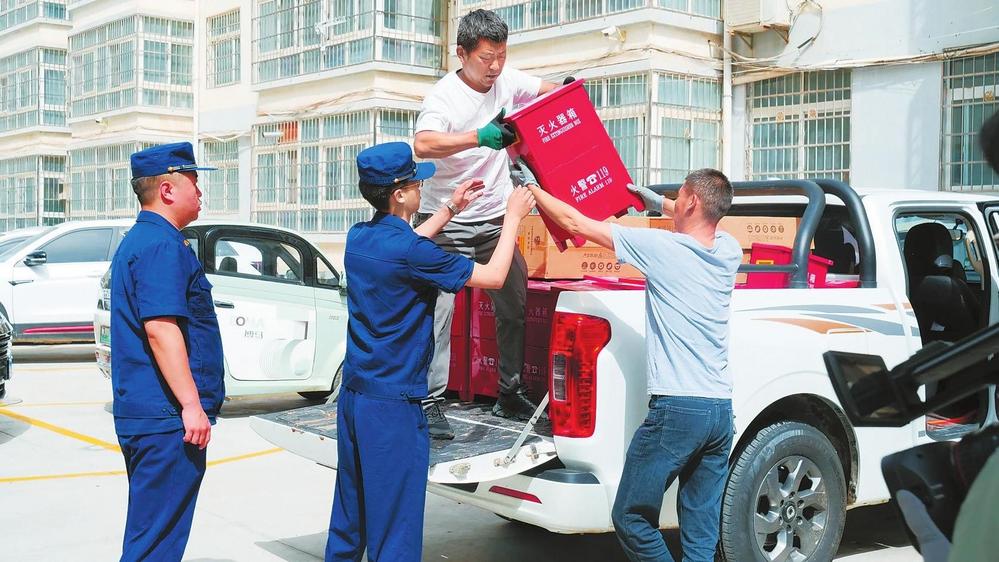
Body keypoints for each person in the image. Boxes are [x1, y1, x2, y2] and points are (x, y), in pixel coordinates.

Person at [325, 142, 535, 562]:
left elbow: (408, 246)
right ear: (399, 194)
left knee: (352, 514)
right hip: (394, 406)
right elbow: (494, 277)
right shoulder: (412, 253)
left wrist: (451, 208)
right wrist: (512, 217)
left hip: (356, 397)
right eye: (416, 183)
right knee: (395, 525)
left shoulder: (359, 237)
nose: (422, 187)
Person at [523, 168, 741, 561]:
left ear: (692, 201)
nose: (674, 201)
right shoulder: (728, 250)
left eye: (679, 195)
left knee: (630, 516)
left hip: (678, 410)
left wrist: (533, 188)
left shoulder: (662, 248)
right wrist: (657, 203)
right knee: (700, 533)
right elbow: (704, 215)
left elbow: (575, 223)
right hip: (720, 413)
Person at [412, 8, 560, 437]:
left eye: (501, 56)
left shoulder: (506, 79)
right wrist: (479, 136)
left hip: (496, 222)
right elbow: (423, 144)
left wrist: (567, 92)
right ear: (462, 54)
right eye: (485, 58)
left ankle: (509, 394)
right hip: (447, 222)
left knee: (514, 305)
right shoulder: (444, 97)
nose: (495, 66)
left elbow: (548, 91)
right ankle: (427, 401)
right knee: (437, 315)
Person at [109, 142, 223, 561]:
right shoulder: (160, 245)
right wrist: (191, 405)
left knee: (151, 534)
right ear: (167, 189)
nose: (200, 191)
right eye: (193, 181)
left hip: (150, 413)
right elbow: (160, 329)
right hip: (166, 419)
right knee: (156, 543)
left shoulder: (144, 240)